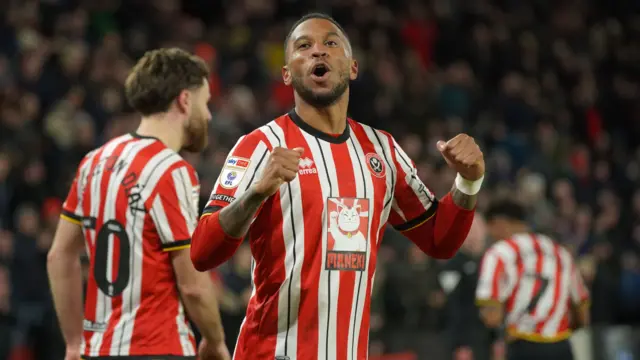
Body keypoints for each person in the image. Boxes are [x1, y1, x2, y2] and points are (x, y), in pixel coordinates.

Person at [191, 13, 485, 360]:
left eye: (331, 43)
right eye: (304, 46)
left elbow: (439, 239)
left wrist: (469, 180)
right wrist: (255, 193)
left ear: (353, 67)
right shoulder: (259, 146)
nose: (319, 52)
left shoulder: (383, 151)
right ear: (287, 73)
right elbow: (202, 252)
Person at [47, 48, 230, 360]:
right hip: (158, 346)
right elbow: (193, 285)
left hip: (99, 349)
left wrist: (74, 342)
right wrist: (215, 341)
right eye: (206, 102)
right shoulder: (171, 171)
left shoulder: (94, 162)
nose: (209, 115)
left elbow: (59, 255)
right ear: (185, 100)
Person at [475, 199, 590, 360]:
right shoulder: (561, 254)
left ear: (500, 223)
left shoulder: (499, 253)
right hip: (561, 346)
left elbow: (492, 317)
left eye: (490, 229)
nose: (490, 235)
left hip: (522, 345)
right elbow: (583, 314)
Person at [439, 213, 498, 360]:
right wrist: (460, 344)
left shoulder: (494, 260)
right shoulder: (452, 265)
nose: (474, 235)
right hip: (467, 340)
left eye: (477, 229)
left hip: (490, 338)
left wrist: (499, 339)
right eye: (469, 230)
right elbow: (453, 307)